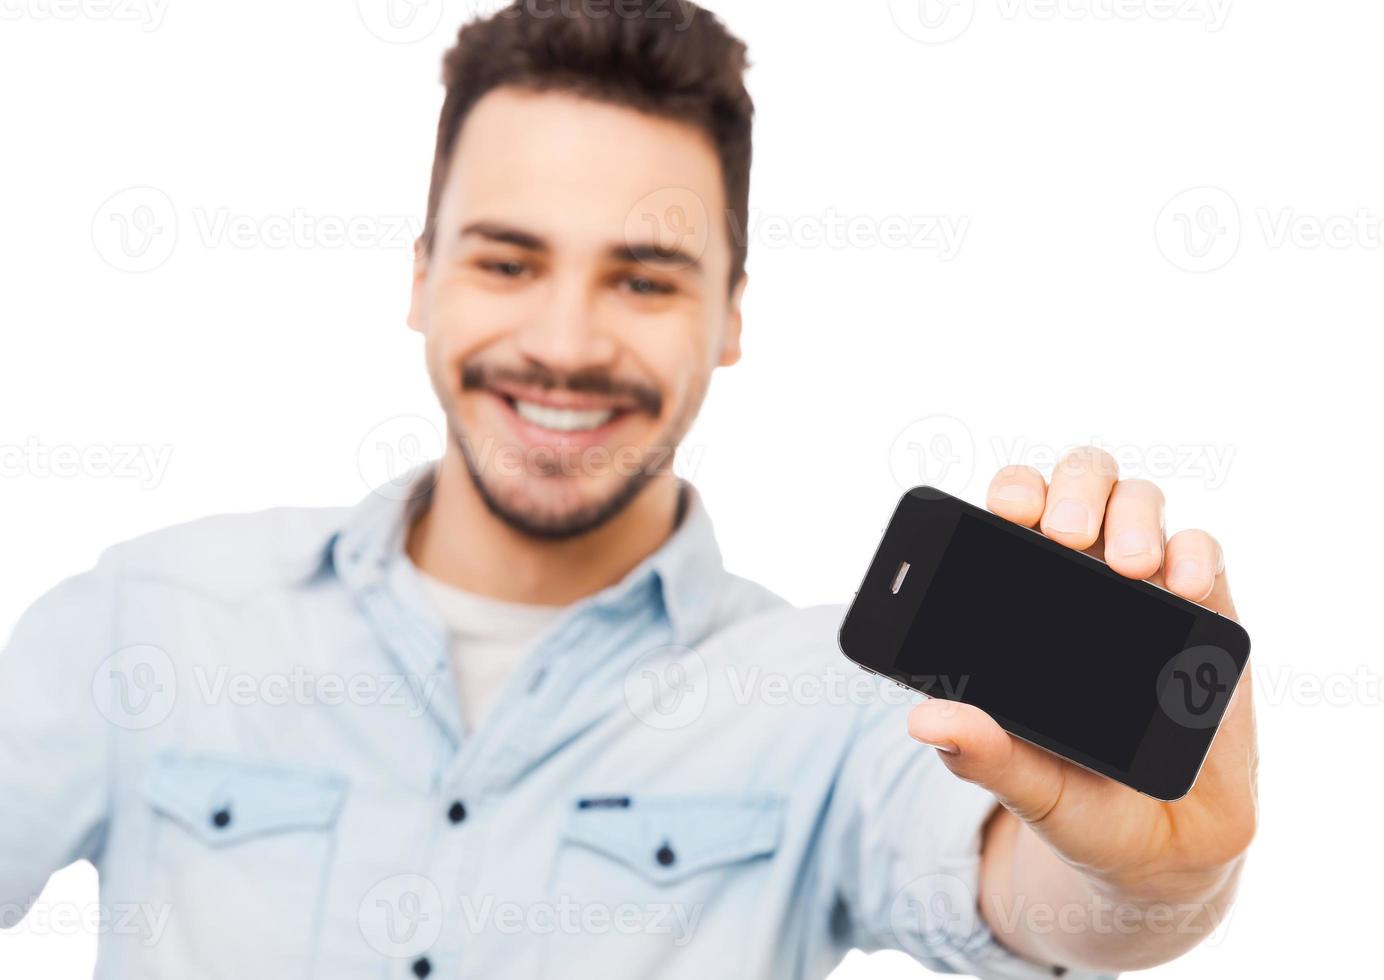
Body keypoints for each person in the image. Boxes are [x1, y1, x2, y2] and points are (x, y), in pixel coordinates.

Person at [0, 2, 1256, 977]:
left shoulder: (838, 701)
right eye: (507, 259)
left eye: (644, 277)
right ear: (421, 275)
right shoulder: (150, 617)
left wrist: (1149, 881)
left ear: (729, 316)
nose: (565, 339)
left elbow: (1033, 896)